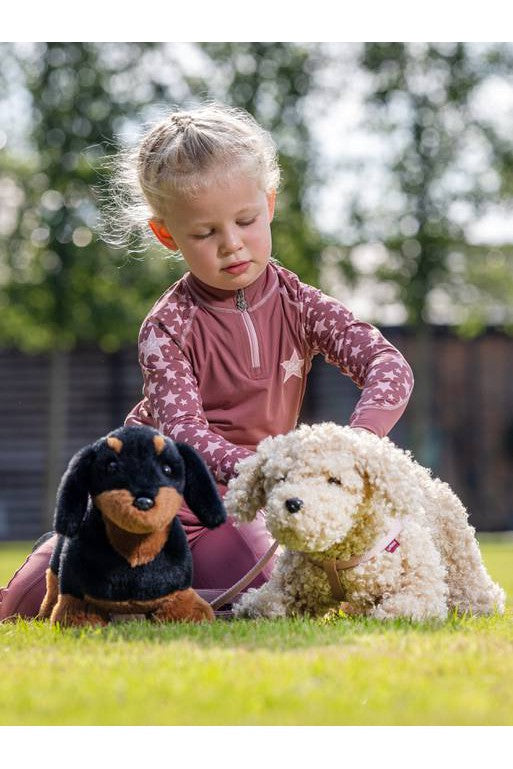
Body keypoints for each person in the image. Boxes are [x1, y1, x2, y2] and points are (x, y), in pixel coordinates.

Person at [0, 102, 414, 621]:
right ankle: (71, 552)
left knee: (297, 572)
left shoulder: (301, 304)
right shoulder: (167, 327)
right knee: (23, 608)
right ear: (167, 235)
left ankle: (174, 590)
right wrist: (271, 470)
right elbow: (185, 435)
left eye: (246, 220)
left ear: (269, 204)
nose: (232, 244)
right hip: (155, 509)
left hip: (245, 506)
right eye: (204, 233)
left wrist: (358, 442)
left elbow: (386, 363)